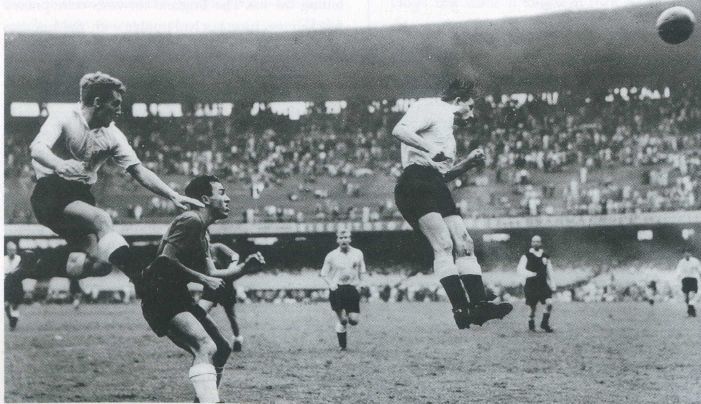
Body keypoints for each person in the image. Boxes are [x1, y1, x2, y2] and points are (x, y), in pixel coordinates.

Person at [28, 72, 202, 292]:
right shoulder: (64, 117)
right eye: (116, 104)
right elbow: (37, 148)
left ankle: (29, 267)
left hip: (80, 195)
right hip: (50, 190)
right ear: (98, 102)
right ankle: (144, 280)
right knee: (102, 219)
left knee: (98, 266)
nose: (120, 111)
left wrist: (172, 194)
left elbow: (138, 170)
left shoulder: (113, 135)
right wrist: (58, 164)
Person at [392, 78, 512, 329]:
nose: (472, 114)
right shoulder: (431, 107)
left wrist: (466, 164)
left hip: (434, 183)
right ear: (458, 102)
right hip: (415, 181)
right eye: (471, 106)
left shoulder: (447, 132)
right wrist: (427, 148)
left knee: (464, 242)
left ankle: (479, 307)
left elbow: (441, 174)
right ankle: (460, 309)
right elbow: (400, 131)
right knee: (444, 244)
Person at [140, 175, 263, 403]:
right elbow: (164, 261)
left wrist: (245, 268)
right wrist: (202, 279)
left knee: (222, 350)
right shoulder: (190, 220)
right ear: (206, 198)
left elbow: (213, 273)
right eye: (222, 192)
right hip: (158, 294)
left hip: (176, 295)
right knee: (205, 346)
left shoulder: (203, 231)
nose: (227, 199)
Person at [198, 242, 265, 352]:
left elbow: (235, 256)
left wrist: (230, 269)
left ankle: (237, 338)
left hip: (226, 286)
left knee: (231, 315)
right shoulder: (199, 253)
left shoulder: (217, 247)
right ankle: (207, 340)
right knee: (200, 314)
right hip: (211, 286)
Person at [319, 229, 366, 350]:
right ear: (337, 240)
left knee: (354, 321)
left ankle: (346, 318)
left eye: (346, 237)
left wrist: (361, 284)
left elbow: (362, 270)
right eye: (341, 238)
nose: (343, 240)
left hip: (352, 288)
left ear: (350, 239)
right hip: (337, 289)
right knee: (343, 321)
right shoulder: (331, 255)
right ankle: (342, 346)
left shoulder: (358, 253)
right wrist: (331, 284)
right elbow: (323, 273)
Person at [517, 235, 555, 332]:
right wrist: (532, 274)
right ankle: (531, 322)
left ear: (541, 243)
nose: (535, 243)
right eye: (534, 241)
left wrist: (553, 283)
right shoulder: (526, 255)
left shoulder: (545, 256)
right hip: (531, 284)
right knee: (532, 308)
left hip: (543, 284)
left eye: (537, 242)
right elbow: (520, 269)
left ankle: (544, 324)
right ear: (531, 243)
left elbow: (550, 270)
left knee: (549, 303)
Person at [4, 241, 24, 330]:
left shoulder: (19, 259)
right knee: (6, 305)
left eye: (14, 250)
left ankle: (13, 323)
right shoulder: (3, 259)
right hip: (6, 283)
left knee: (15, 305)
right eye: (11, 250)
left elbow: (23, 269)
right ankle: (12, 319)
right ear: (7, 251)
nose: (13, 252)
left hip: (16, 283)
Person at [675, 248, 701, 317]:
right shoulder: (681, 262)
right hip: (685, 280)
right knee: (686, 298)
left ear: (690, 253)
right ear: (683, 254)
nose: (686, 254)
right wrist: (677, 277)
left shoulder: (695, 261)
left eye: (688, 253)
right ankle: (691, 311)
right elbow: (678, 271)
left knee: (691, 295)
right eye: (685, 253)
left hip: (693, 279)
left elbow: (699, 269)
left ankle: (691, 310)